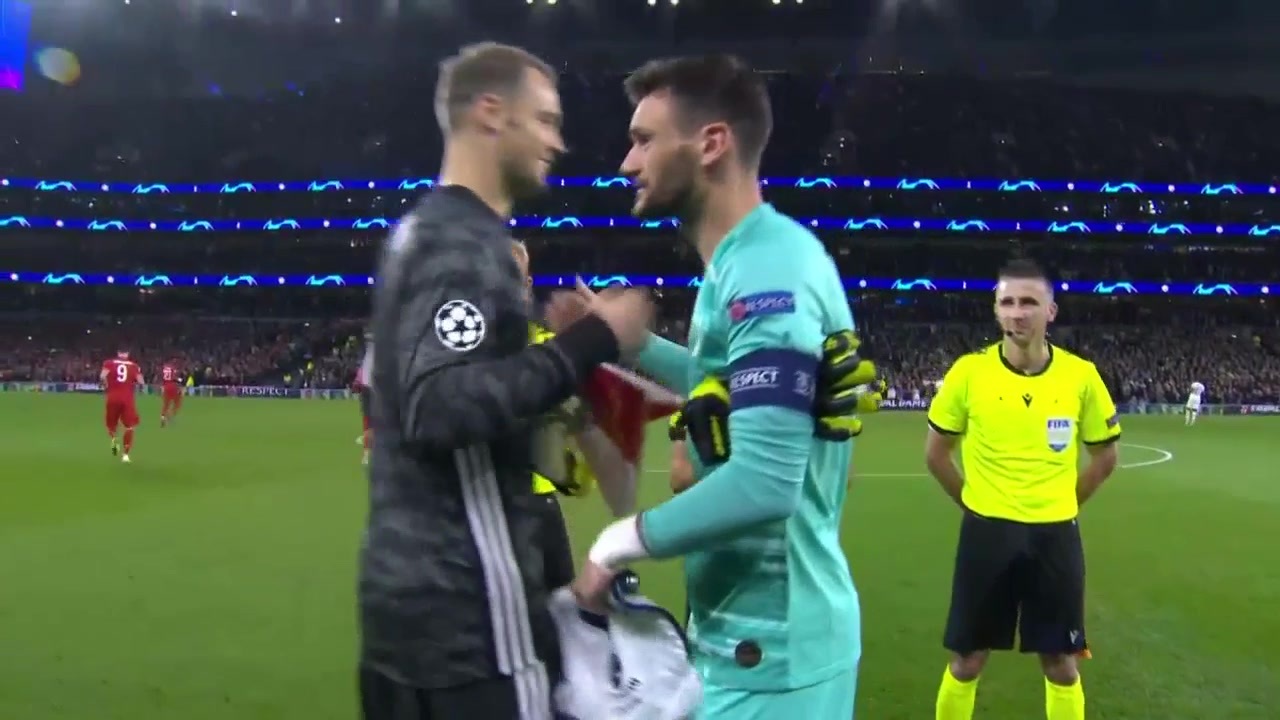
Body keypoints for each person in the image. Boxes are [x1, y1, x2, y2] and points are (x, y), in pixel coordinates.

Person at [561, 54, 862, 719]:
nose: (627, 163)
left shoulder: (766, 271)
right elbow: (722, 382)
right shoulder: (744, 263)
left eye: (644, 139)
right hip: (749, 641)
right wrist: (636, 346)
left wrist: (614, 546)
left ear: (711, 144)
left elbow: (765, 481)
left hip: (777, 653)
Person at [358, 42, 654, 720]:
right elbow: (439, 406)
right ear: (491, 112)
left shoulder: (413, 235)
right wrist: (596, 338)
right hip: (475, 623)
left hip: (401, 619)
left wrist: (572, 393)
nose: (557, 141)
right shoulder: (468, 243)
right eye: (545, 120)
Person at [924, 259, 1121, 720]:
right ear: (996, 310)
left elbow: (1105, 457)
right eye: (1008, 302)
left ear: (1051, 311)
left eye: (1029, 302)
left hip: (1055, 536)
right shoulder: (968, 373)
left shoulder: (1081, 376)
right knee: (967, 660)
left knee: (1061, 663)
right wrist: (975, 504)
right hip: (986, 534)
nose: (1017, 312)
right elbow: (936, 455)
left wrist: (1063, 503)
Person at [100, 349, 143, 463]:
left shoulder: (109, 363)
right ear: (127, 354)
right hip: (127, 399)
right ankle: (125, 455)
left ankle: (114, 439)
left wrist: (106, 386)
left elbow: (102, 376)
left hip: (112, 397)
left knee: (111, 425)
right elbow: (141, 382)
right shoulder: (134, 366)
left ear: (118, 353)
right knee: (129, 427)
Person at [354, 332, 373, 465]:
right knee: (368, 420)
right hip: (369, 387)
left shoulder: (371, 354)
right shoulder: (370, 355)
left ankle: (367, 452)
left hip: (371, 386)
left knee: (369, 420)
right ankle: (367, 452)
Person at [159, 358, 182, 428]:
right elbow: (175, 378)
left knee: (166, 404)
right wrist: (179, 380)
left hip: (166, 386)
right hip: (173, 385)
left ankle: (163, 417)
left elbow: (162, 378)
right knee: (177, 402)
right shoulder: (173, 369)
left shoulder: (164, 369)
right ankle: (171, 415)